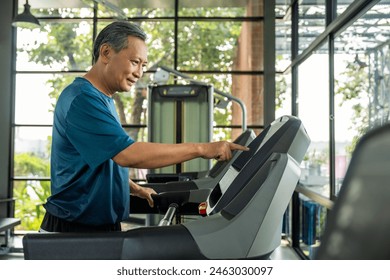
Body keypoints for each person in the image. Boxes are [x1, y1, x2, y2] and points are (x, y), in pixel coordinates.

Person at [40, 21, 249, 233]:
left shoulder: (103, 99)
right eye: (134, 62)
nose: (140, 72)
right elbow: (127, 155)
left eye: (144, 65)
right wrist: (202, 149)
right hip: (72, 229)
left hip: (97, 226)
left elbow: (102, 162)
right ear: (106, 53)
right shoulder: (83, 99)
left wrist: (134, 188)